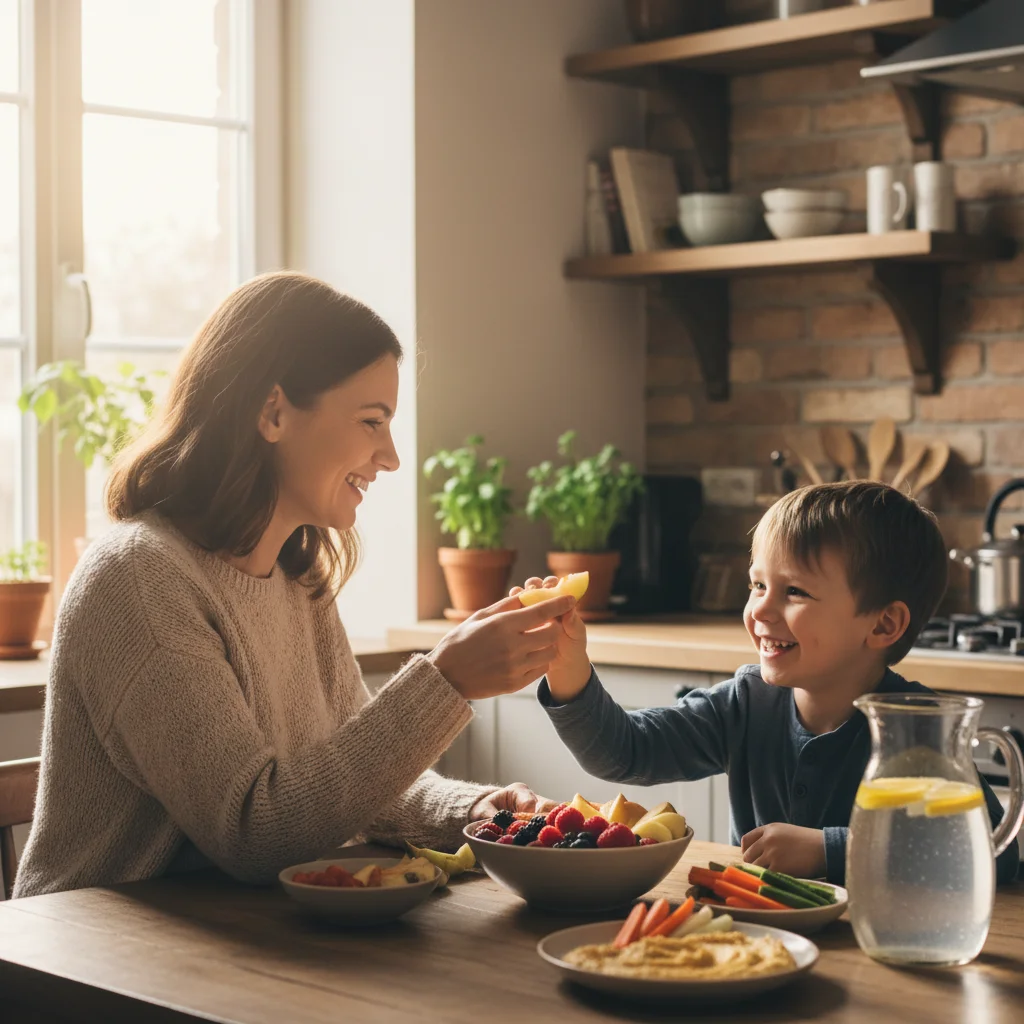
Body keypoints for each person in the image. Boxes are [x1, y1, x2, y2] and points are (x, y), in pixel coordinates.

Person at [14, 272, 575, 898]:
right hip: (86, 962)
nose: (390, 456)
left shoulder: (296, 578)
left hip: (229, 939)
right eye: (371, 421)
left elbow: (347, 786)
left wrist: (475, 811)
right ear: (273, 412)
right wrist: (444, 683)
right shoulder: (139, 581)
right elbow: (254, 832)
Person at [528, 481, 1018, 884]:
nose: (759, 610)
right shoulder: (744, 704)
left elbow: (994, 853)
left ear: (883, 625)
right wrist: (567, 663)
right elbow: (623, 752)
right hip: (757, 942)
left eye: (795, 591)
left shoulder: (918, 731)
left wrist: (830, 850)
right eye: (757, 584)